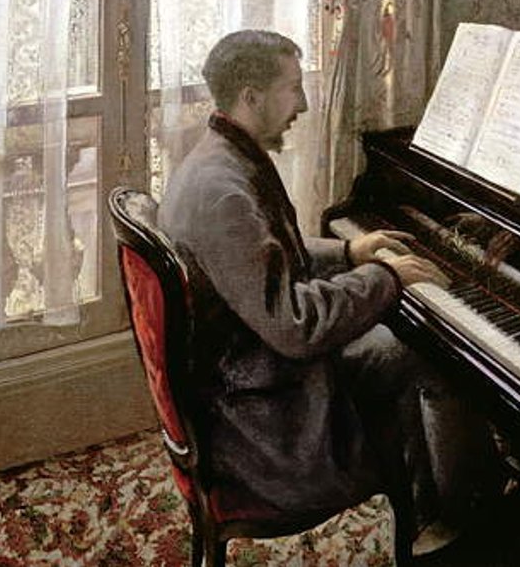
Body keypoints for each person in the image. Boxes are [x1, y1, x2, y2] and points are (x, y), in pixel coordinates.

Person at [158, 29, 497, 558]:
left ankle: (443, 507)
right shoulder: (222, 191)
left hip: (250, 378)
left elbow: (260, 257)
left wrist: (348, 254)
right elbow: (296, 328)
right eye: (293, 89)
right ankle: (470, 518)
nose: (305, 104)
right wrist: (386, 278)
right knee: (438, 355)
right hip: (262, 426)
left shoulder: (220, 157)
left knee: (408, 347)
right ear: (251, 98)